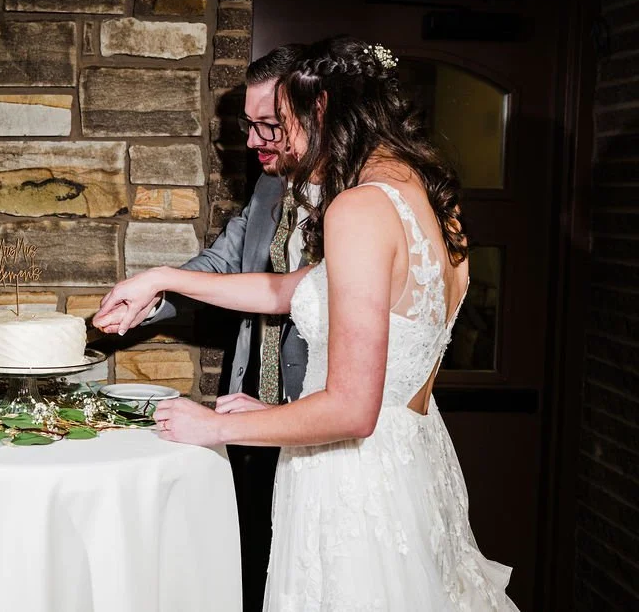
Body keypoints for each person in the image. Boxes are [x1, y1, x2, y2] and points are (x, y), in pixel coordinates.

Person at [93, 36, 519, 611]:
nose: (278, 144)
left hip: (351, 487)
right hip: (407, 468)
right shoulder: (429, 199)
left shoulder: (359, 209)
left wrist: (212, 428)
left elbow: (352, 410)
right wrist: (162, 278)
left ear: (323, 112)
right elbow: (288, 291)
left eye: (284, 122)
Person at [103, 43, 317, 612]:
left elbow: (294, 294)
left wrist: (160, 277)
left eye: (267, 126)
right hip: (243, 412)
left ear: (314, 113)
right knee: (248, 568)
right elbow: (222, 263)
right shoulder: (269, 185)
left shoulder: (359, 200)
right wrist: (150, 299)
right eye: (249, 126)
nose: (252, 143)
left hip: (316, 421)